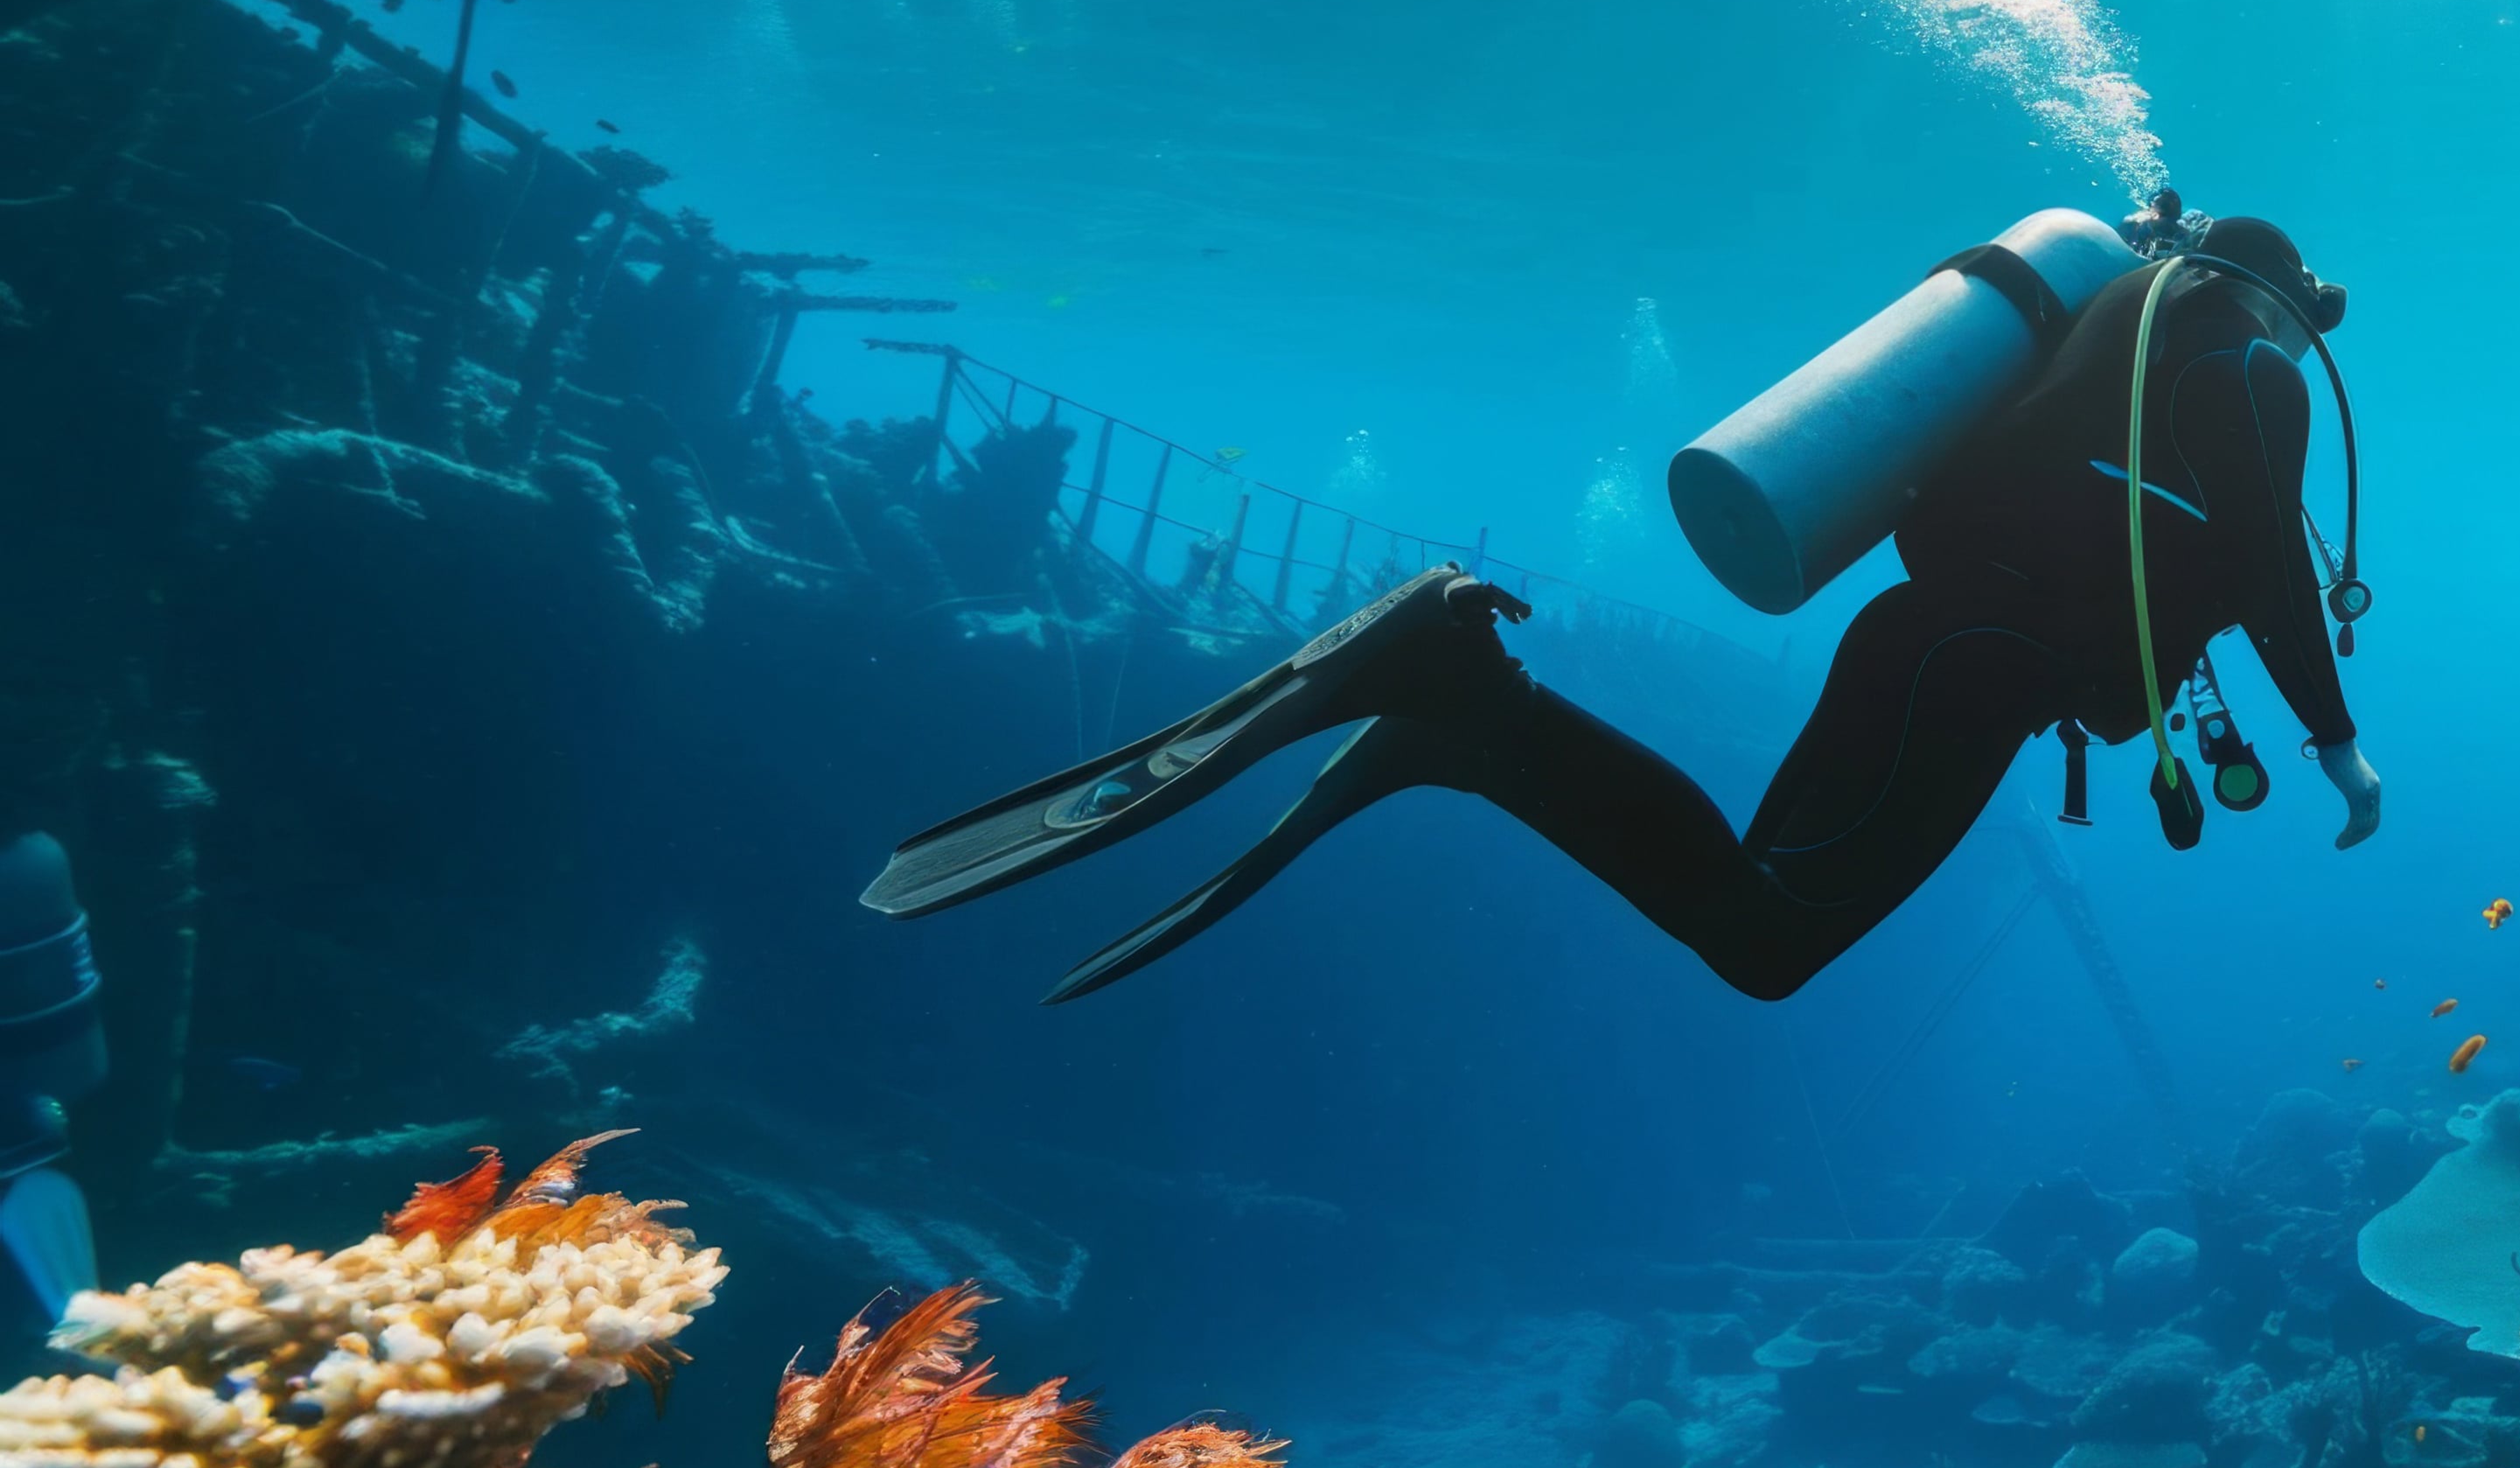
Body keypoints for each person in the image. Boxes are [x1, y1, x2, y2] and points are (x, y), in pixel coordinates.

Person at [864, 214, 2379, 1001]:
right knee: (1766, 941)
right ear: (2285, 299)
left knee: (1755, 905)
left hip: (1933, 642)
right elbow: (2253, 559)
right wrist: (2333, 742)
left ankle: (1457, 726)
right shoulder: (2239, 359)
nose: (2301, 338)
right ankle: (1467, 697)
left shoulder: (2109, 321)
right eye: (2306, 316)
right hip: (1979, 669)